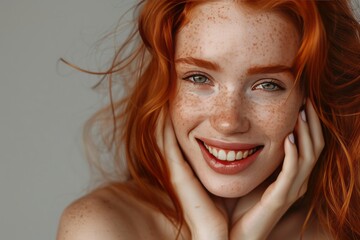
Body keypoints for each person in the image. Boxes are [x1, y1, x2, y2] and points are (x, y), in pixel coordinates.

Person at [56, 0, 360, 239]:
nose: (228, 121)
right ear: (166, 87)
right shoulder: (100, 228)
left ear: (311, 98)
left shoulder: (343, 231)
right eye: (199, 77)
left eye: (268, 85)